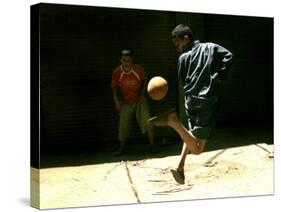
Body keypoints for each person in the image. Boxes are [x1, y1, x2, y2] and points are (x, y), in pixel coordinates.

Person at [148, 24, 233, 184]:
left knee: (191, 135)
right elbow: (228, 56)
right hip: (206, 102)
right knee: (197, 149)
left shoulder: (182, 59)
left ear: (186, 39)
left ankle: (180, 167)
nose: (177, 48)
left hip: (190, 102)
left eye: (177, 44)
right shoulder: (210, 47)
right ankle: (173, 122)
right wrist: (217, 77)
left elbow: (182, 80)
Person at [111, 49, 155, 155]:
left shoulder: (138, 69)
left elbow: (144, 80)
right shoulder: (117, 72)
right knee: (123, 125)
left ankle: (152, 146)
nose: (126, 63)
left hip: (140, 100)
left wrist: (141, 95)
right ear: (120, 61)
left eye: (128, 60)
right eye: (124, 60)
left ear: (132, 60)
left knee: (148, 121)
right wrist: (117, 101)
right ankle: (121, 148)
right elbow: (114, 87)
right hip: (126, 102)